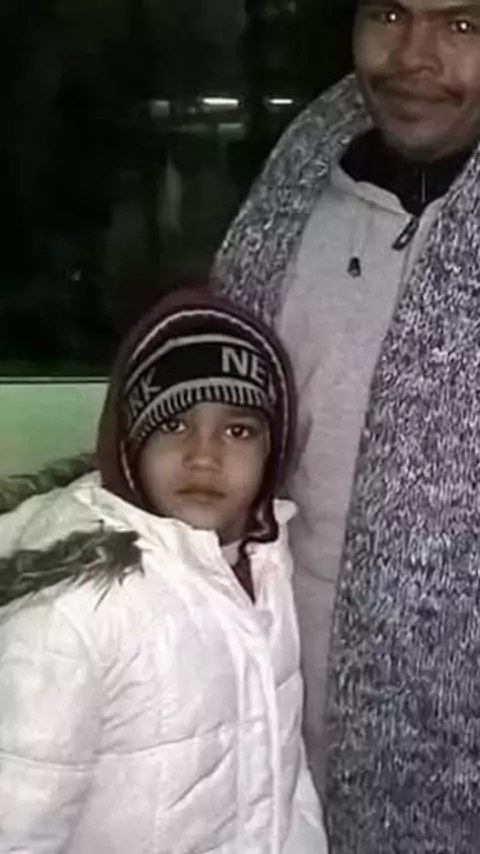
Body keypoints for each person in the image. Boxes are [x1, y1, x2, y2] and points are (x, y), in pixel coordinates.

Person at [212, 0, 480, 850]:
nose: (413, 57)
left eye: (463, 26)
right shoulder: (292, 195)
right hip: (264, 714)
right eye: (390, 13)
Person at [0, 288, 329, 854]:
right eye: (174, 423)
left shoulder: (267, 565)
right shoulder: (75, 607)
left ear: (273, 451)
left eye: (238, 430)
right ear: (131, 441)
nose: (204, 456)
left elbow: (284, 780)